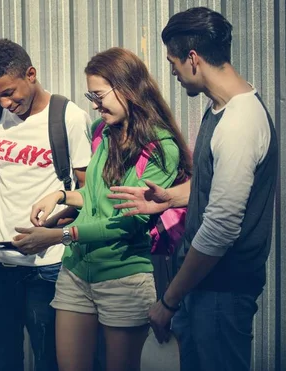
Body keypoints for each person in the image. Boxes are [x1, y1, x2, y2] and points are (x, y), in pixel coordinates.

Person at [107, 7, 277, 371]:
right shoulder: (221, 109)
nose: (172, 72)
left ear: (193, 59)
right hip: (204, 290)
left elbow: (220, 228)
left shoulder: (240, 123)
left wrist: (169, 300)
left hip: (221, 292)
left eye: (173, 62)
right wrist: (170, 198)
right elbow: (220, 190)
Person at [15, 47, 192, 371]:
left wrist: (58, 236)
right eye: (90, 94)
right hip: (76, 272)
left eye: (98, 95)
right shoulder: (102, 132)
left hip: (123, 278)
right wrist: (60, 195)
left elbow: (125, 219)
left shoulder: (160, 147)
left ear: (126, 88)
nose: (93, 104)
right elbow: (98, 197)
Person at [0, 38, 91, 371]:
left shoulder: (69, 118)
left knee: (50, 361)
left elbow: (87, 193)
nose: (5, 102)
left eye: (10, 92)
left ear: (31, 74)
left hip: (50, 269)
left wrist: (50, 232)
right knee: (1, 361)